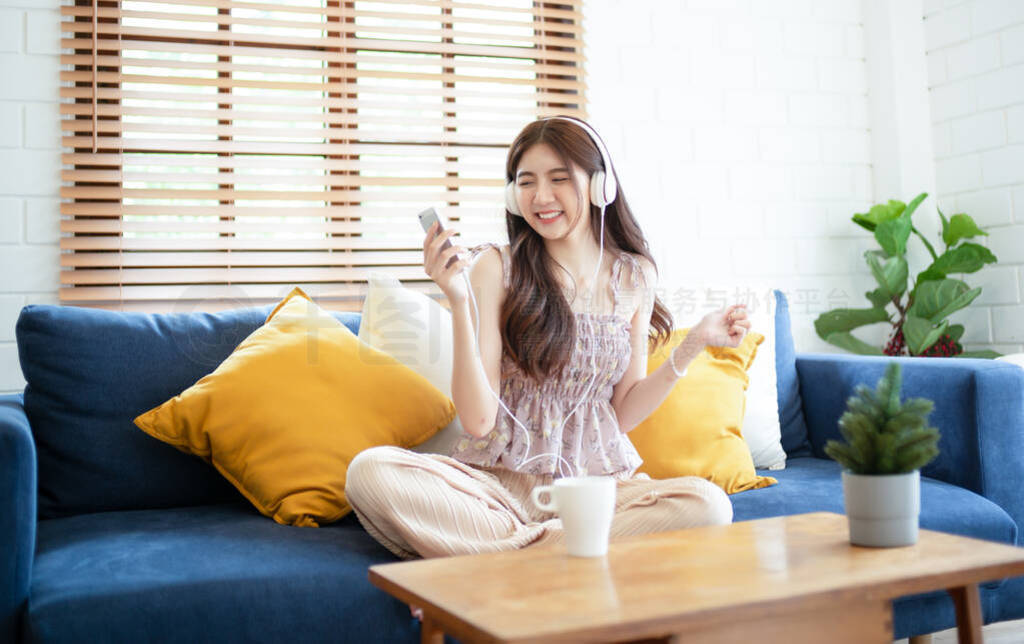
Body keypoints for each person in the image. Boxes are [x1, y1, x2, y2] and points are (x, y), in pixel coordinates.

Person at [345, 116, 751, 564]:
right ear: (512, 195)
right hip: (496, 490)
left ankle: (508, 558)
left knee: (708, 504)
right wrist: (459, 301)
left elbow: (622, 414)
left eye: (559, 179)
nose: (541, 197)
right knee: (370, 472)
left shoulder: (635, 276)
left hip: (593, 492)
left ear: (600, 187)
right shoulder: (497, 268)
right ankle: (562, 552)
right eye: (527, 182)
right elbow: (479, 422)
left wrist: (693, 344)